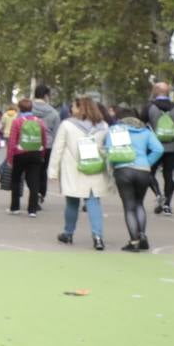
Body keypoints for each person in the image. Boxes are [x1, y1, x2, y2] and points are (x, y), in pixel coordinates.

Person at [47, 95, 113, 251]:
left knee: (72, 202)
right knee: (93, 201)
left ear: (80, 108)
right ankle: (98, 237)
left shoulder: (67, 125)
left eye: (74, 106)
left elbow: (58, 148)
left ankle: (68, 233)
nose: (71, 109)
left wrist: (53, 171)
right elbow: (106, 147)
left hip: (73, 168)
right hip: (95, 167)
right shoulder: (103, 126)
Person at [107, 107, 164, 252]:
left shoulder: (116, 130)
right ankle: (143, 235)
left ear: (120, 118)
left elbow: (109, 150)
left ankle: (134, 242)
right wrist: (147, 162)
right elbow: (159, 149)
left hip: (123, 170)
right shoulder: (145, 131)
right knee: (139, 204)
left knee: (129, 207)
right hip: (143, 171)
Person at [7, 97, 50, 217]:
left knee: (16, 180)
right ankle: (32, 210)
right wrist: (42, 154)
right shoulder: (39, 122)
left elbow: (12, 141)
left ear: (19, 109)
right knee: (34, 181)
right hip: (35, 153)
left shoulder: (17, 122)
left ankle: (15, 207)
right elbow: (44, 140)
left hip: (20, 154)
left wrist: (10, 158)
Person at [142, 81, 174, 214]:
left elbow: (140, 123)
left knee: (148, 172)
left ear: (155, 92)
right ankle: (167, 204)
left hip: (154, 147)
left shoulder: (149, 107)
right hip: (172, 147)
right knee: (169, 175)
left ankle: (158, 194)